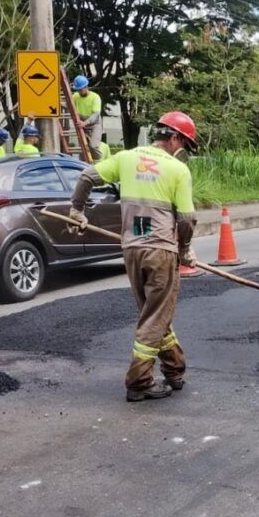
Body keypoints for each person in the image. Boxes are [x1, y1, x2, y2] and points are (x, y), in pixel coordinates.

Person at [67, 111, 198, 402]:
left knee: (152, 313)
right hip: (161, 251)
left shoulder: (126, 158)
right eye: (185, 146)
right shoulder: (177, 170)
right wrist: (185, 247)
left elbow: (87, 176)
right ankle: (139, 381)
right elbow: (187, 218)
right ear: (174, 137)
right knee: (155, 317)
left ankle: (175, 369)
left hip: (132, 249)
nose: (184, 152)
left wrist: (77, 210)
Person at [72, 75, 104, 160]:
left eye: (81, 89)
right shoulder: (75, 96)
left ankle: (99, 160)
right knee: (83, 149)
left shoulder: (95, 97)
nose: (79, 91)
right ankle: (83, 166)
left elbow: (95, 115)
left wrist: (85, 123)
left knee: (93, 146)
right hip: (82, 125)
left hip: (94, 124)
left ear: (86, 87)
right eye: (78, 89)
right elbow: (69, 106)